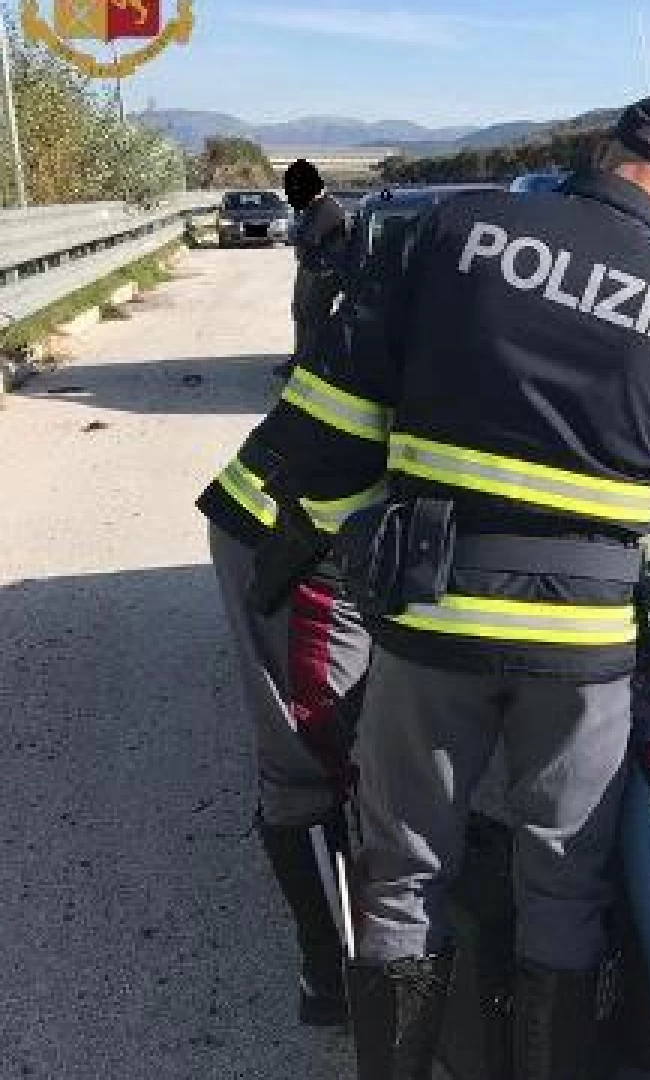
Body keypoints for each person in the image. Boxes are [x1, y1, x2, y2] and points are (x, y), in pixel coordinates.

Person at [343, 96, 650, 1080]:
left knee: (403, 876)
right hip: (578, 645)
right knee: (562, 887)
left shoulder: (460, 226)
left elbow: (362, 368)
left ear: (606, 153)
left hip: (432, 613)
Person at [197, 309, 393, 1026]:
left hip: (332, 527)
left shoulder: (465, 280)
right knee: (313, 756)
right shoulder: (468, 316)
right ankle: (333, 976)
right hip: (295, 539)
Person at [284, 159, 350, 378]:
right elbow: (298, 234)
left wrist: (295, 233)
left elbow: (307, 237)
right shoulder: (312, 208)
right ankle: (297, 360)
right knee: (300, 313)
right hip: (309, 268)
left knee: (313, 319)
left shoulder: (328, 208)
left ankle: (308, 366)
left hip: (323, 273)